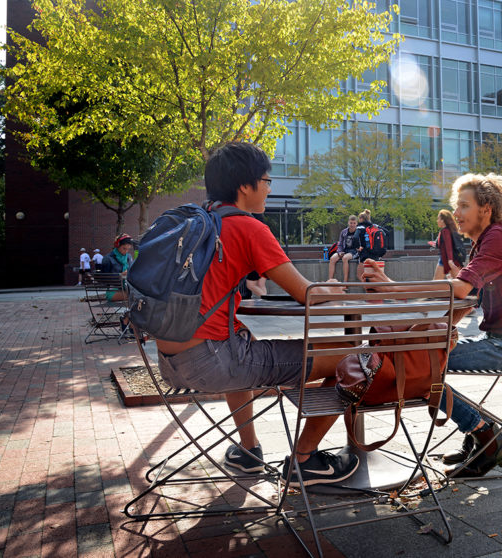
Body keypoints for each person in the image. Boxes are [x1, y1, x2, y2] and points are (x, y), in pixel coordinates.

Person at [152, 142, 357, 486]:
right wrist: (336, 287)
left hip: (169, 361)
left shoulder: (197, 222)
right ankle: (304, 460)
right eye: (266, 180)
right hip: (213, 361)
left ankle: (249, 453)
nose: (269, 187)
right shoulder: (248, 227)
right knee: (352, 358)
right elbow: (305, 293)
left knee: (241, 337)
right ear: (245, 186)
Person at [362, 173, 502, 478]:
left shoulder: (497, 239)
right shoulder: (486, 243)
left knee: (417, 364)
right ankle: (480, 436)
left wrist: (390, 287)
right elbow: (458, 303)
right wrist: (411, 311)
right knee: (419, 357)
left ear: (487, 209)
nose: (456, 213)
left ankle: (486, 436)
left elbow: (457, 290)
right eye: (456, 206)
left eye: (464, 206)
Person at [430, 209, 466, 280]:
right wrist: (432, 243)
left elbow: (448, 246)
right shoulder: (450, 230)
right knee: (458, 282)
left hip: (446, 260)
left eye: (438, 219)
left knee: (435, 284)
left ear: (443, 220)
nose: (437, 221)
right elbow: (442, 244)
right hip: (452, 260)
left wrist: (450, 261)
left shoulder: (445, 231)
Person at [328, 215, 359, 281]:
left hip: (354, 251)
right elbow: (340, 244)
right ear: (348, 223)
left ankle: (345, 282)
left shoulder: (359, 232)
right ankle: (330, 281)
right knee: (332, 258)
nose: (352, 225)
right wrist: (339, 252)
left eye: (354, 223)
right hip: (344, 250)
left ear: (356, 223)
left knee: (345, 258)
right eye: (351, 223)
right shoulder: (344, 232)